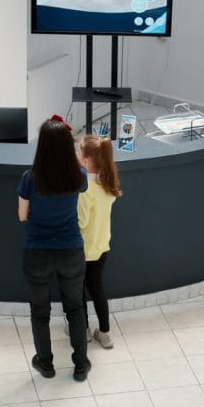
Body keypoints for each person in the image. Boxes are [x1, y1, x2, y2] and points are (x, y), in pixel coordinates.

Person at [18, 115, 91, 382]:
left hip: (37, 252)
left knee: (40, 312)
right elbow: (77, 175)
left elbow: (22, 216)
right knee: (75, 308)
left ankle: (45, 364)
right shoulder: (78, 176)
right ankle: (81, 364)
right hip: (71, 249)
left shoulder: (29, 178)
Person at [77, 135, 121, 349]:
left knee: (78, 291)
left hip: (83, 250)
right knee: (97, 290)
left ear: (85, 162)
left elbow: (82, 222)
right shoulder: (108, 185)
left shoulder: (85, 190)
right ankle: (104, 333)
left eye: (78, 152)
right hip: (102, 247)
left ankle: (83, 330)